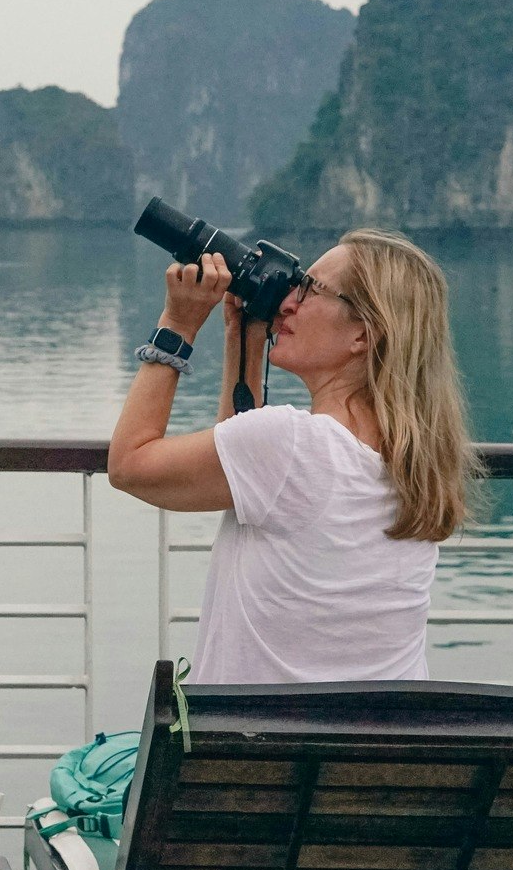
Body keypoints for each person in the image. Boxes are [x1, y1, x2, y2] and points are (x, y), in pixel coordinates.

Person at [106, 231, 480, 684]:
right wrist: (244, 338)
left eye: (309, 289)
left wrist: (177, 326)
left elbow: (129, 466)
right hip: (379, 725)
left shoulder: (291, 443)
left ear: (363, 334)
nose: (287, 303)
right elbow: (245, 467)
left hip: (245, 731)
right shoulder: (416, 464)